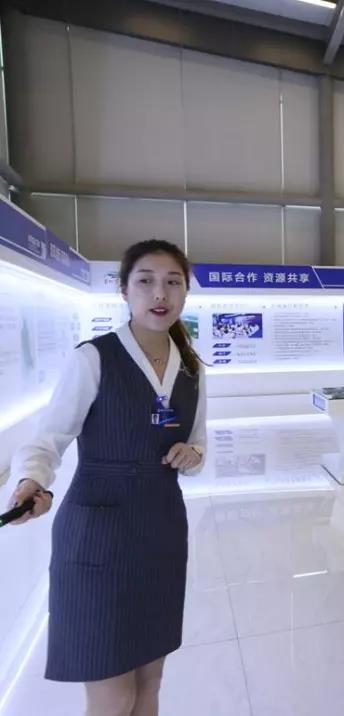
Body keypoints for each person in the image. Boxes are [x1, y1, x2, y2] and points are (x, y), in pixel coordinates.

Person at [5, 239, 207, 716]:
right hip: (98, 534)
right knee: (114, 696)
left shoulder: (192, 368)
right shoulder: (94, 358)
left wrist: (191, 454)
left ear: (185, 292)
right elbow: (48, 438)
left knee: (150, 684)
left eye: (173, 282)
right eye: (146, 281)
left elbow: (198, 442)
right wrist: (32, 481)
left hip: (161, 530)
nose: (160, 294)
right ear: (124, 290)